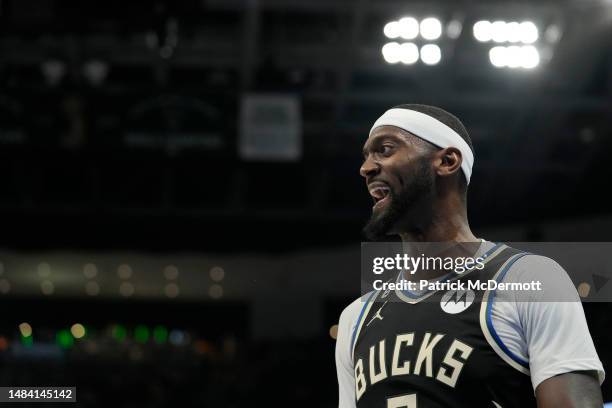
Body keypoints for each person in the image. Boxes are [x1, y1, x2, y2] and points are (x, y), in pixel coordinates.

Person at [335, 104, 605, 407]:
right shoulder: (356, 318)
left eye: (384, 149)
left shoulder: (531, 280)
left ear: (447, 161)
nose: (366, 168)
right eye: (366, 157)